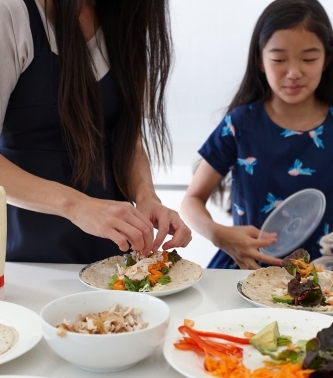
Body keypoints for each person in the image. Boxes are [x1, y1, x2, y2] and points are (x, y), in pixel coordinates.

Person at [0, 0, 191, 263]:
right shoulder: (10, 14)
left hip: (112, 262)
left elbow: (129, 141)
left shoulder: (124, 22)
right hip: (25, 260)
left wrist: (148, 199)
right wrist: (77, 205)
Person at [181, 0, 333, 270]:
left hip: (323, 280)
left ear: (327, 59)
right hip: (246, 273)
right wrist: (219, 235)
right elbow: (191, 200)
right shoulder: (240, 124)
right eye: (279, 59)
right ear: (260, 60)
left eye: (309, 59)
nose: (294, 72)